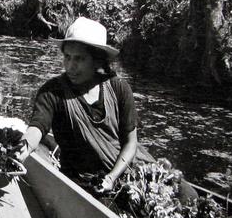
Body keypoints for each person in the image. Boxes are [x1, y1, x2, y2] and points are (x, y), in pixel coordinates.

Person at [19, 17, 154, 192]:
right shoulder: (53, 92)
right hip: (86, 181)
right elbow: (37, 127)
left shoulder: (118, 88)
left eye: (79, 59)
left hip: (124, 169)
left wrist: (111, 178)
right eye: (67, 57)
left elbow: (130, 143)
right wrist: (22, 149)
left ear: (97, 60)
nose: (70, 66)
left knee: (187, 194)